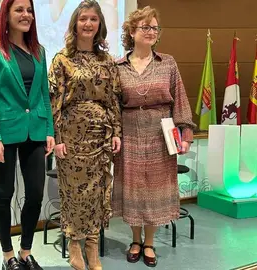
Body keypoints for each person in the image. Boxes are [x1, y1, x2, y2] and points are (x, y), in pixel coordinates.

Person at [111, 6, 196, 268]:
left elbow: (180, 100)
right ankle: (134, 240)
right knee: (134, 190)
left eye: (154, 28)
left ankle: (149, 242)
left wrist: (187, 135)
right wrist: (113, 134)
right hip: (129, 135)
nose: (151, 32)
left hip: (162, 135)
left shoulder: (167, 63)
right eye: (145, 27)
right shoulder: (117, 66)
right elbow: (113, 105)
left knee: (156, 191)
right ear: (131, 32)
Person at [0, 0, 55, 269]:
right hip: (6, 131)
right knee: (4, 193)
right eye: (19, 10)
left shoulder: (39, 52)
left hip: (35, 130)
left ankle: (25, 251)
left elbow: (44, 94)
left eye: (29, 10)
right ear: (6, 15)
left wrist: (49, 130)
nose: (26, 15)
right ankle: (7, 256)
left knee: (35, 193)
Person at [48, 1, 121, 270]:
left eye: (93, 19)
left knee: (97, 191)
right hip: (71, 137)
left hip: (100, 138)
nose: (88, 24)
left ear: (100, 24)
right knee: (74, 193)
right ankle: (74, 244)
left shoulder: (107, 61)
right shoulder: (61, 60)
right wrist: (57, 138)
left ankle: (92, 246)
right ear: (75, 24)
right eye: (83, 19)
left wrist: (115, 131)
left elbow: (113, 99)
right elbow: (53, 100)